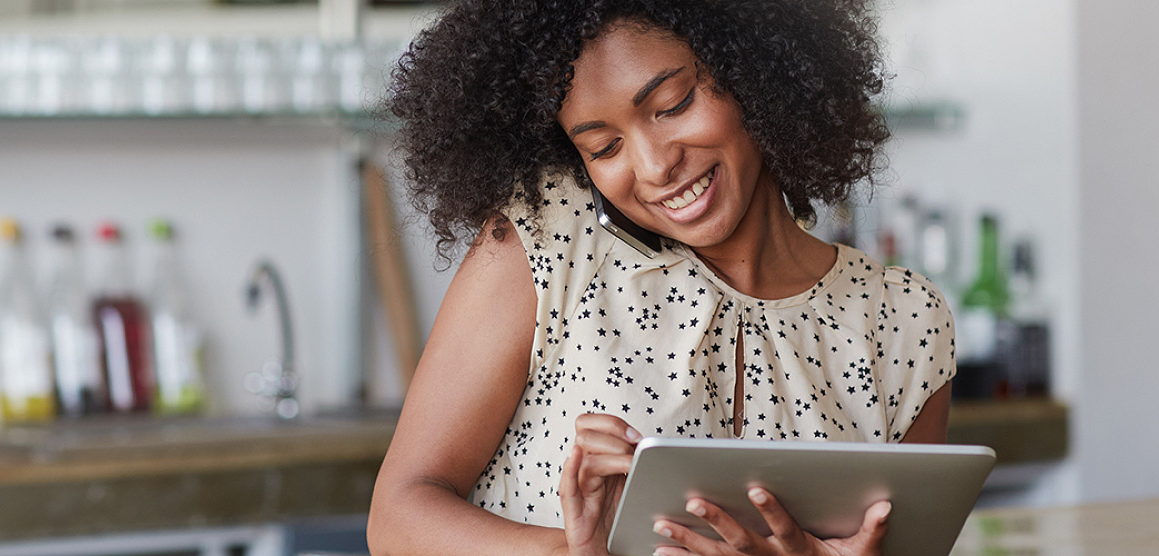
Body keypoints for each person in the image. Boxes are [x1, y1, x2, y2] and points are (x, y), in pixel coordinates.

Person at [369, 1, 955, 555]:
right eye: (604, 147)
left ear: (753, 65)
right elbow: (397, 516)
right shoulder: (549, 240)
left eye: (673, 104)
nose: (655, 166)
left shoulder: (904, 320)